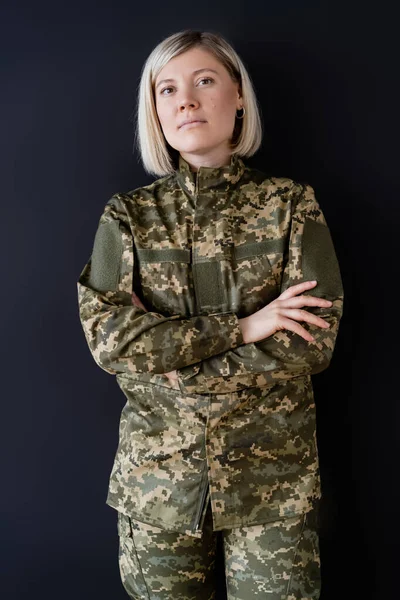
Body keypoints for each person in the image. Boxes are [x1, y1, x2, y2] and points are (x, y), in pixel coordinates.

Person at [77, 29, 344, 600]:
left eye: (204, 81)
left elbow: (309, 344)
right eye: (167, 88)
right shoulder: (128, 217)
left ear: (239, 94)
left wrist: (171, 365)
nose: (186, 101)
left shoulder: (291, 204)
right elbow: (111, 343)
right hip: (158, 485)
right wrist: (245, 327)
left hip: (273, 485)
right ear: (155, 109)